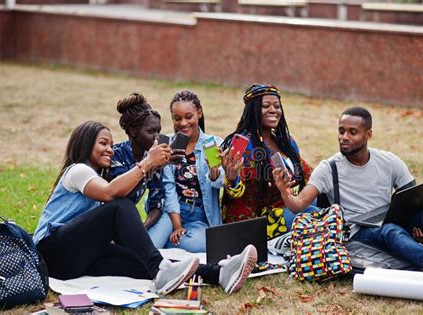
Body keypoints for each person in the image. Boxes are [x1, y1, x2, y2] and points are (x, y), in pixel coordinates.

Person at [33, 120, 257, 295]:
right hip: (51, 252)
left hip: (72, 263)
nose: (109, 149)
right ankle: (162, 271)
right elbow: (111, 194)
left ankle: (219, 273)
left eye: (111, 144)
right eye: (103, 143)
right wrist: (148, 162)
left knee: (147, 263)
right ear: (85, 143)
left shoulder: (95, 177)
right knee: (121, 206)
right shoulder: (78, 171)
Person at [273, 107, 423, 274]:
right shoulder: (328, 168)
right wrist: (285, 191)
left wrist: (417, 226)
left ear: (368, 135)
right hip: (357, 231)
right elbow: (298, 205)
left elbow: (413, 198)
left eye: (352, 132)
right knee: (390, 231)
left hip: (390, 219)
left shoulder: (389, 161)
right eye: (341, 131)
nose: (344, 137)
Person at [220, 84, 315, 247]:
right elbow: (235, 195)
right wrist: (232, 177)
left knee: (323, 204)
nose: (273, 110)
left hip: (287, 207)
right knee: (314, 217)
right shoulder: (243, 144)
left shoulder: (286, 141)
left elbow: (307, 173)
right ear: (253, 110)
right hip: (258, 223)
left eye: (277, 106)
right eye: (266, 106)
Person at [108, 92, 173, 248]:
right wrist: (150, 164)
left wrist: (141, 229)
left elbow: (157, 203)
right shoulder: (114, 156)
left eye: (159, 131)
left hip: (127, 223)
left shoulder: (152, 157)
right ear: (133, 131)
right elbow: (121, 194)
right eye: (151, 131)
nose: (156, 138)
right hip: (103, 222)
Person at [162, 90, 224, 253]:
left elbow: (220, 183)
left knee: (201, 244)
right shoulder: (166, 145)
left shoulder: (214, 144)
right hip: (170, 213)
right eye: (177, 118)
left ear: (199, 113)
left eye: (188, 117)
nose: (183, 123)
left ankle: (169, 245)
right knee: (149, 241)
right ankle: (169, 242)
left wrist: (213, 172)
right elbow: (168, 188)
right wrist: (177, 227)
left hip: (200, 216)